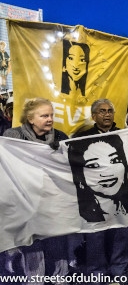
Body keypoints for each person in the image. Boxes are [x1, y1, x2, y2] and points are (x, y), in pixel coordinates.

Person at [3, 98, 70, 284]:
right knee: (33, 245)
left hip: (54, 201)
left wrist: (61, 155)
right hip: (26, 202)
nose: (50, 119)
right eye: (44, 115)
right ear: (31, 119)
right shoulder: (13, 135)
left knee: (57, 243)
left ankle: (60, 279)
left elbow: (72, 164)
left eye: (51, 115)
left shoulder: (61, 137)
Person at [72, 98, 128, 280]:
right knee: (96, 238)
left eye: (110, 111)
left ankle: (119, 270)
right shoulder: (82, 138)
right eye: (102, 111)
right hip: (92, 198)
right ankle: (96, 273)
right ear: (94, 115)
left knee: (120, 235)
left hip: (120, 196)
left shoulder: (125, 136)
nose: (107, 114)